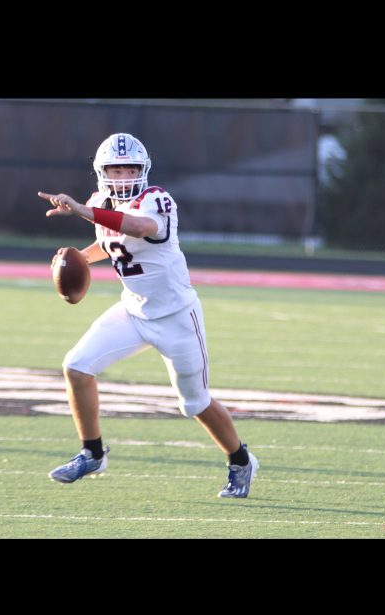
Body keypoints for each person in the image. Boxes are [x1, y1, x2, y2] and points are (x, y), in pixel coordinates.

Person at [37, 132, 259, 498]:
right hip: (134, 310)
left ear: (143, 170)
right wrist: (77, 258)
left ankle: (240, 461)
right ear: (102, 172)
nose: (124, 177)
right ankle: (92, 454)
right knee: (76, 366)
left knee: (195, 403)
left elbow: (138, 227)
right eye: (116, 170)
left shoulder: (157, 200)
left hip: (176, 318)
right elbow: (112, 243)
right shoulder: (100, 202)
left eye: (130, 169)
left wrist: (80, 210)